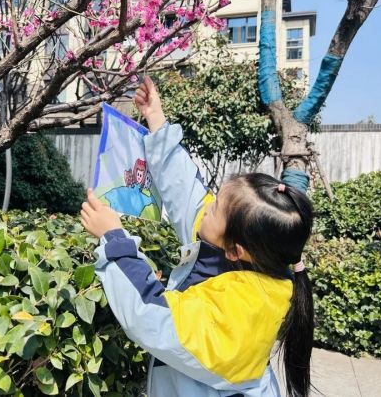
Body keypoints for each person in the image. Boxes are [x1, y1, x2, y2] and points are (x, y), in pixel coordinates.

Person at [81, 76, 315, 397]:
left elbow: (151, 314)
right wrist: (156, 119)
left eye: (216, 208)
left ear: (236, 250)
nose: (207, 207)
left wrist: (113, 238)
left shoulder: (237, 315)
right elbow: (186, 194)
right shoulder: (249, 257)